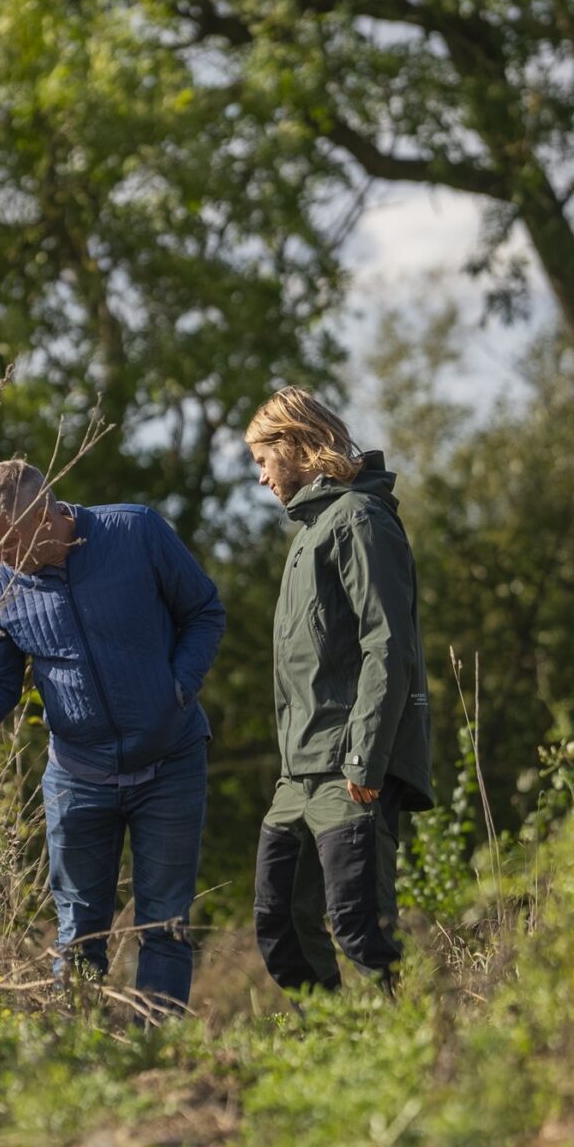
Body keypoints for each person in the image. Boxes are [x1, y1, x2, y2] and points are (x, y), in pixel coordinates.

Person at [0, 459, 225, 1014]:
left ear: (47, 517)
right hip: (78, 778)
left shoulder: (136, 531)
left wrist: (179, 687)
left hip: (170, 763)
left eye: (7, 542)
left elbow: (204, 611)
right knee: (78, 933)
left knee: (163, 921)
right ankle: (79, 1053)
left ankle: (158, 1051)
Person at [245, 387, 432, 996]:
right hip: (297, 773)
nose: (260, 475)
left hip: (349, 768)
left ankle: (410, 1048)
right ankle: (329, 1045)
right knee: (280, 924)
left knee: (360, 928)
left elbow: (389, 647)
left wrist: (366, 757)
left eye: (261, 458)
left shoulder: (359, 518)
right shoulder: (309, 531)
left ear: (295, 445)